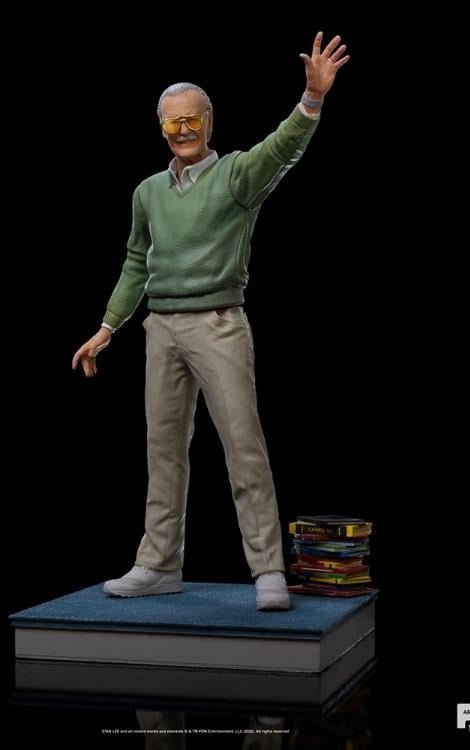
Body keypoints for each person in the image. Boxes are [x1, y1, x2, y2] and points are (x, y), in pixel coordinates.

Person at [72, 32, 350, 610]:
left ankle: (267, 570)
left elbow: (280, 149)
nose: (183, 130)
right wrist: (108, 326)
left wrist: (312, 100)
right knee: (163, 450)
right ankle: (158, 563)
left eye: (191, 119)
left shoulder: (236, 177)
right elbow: (136, 260)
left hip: (219, 324)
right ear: (160, 128)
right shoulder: (148, 192)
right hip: (161, 328)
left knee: (243, 445)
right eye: (172, 122)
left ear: (209, 120)